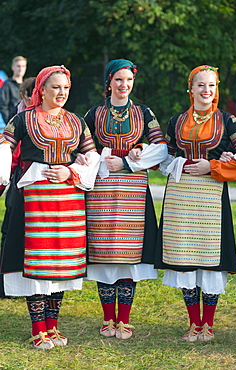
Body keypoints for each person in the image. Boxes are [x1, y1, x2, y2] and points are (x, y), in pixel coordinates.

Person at [0, 65, 100, 349]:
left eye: (66, 88)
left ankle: (54, 326)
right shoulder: (22, 119)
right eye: (55, 87)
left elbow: (91, 156)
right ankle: (38, 329)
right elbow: (4, 145)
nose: (61, 93)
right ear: (41, 89)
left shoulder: (77, 122)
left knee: (61, 263)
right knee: (37, 264)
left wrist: (70, 172)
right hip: (35, 200)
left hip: (68, 201)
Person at [155, 65, 236, 342]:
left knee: (210, 262)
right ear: (190, 88)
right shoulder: (176, 121)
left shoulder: (227, 120)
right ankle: (193, 323)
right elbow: (164, 158)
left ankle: (208, 324)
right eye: (201, 85)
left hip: (211, 198)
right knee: (184, 260)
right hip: (181, 197)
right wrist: (179, 163)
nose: (206, 91)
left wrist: (213, 165)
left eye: (211, 85)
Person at [82, 58, 168, 340]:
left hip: (133, 189)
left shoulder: (144, 113)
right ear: (109, 82)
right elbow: (82, 148)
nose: (124, 85)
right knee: (104, 255)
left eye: (129, 80)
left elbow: (161, 148)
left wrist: (134, 158)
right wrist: (102, 159)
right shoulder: (94, 114)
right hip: (102, 188)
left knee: (129, 257)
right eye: (119, 79)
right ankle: (108, 319)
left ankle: (125, 319)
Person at [0, 77, 36, 299]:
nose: (34, 98)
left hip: (40, 186)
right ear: (23, 96)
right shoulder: (19, 119)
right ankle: (6, 284)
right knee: (10, 232)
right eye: (30, 93)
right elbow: (11, 155)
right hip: (19, 182)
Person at [0, 56, 27, 125]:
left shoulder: (27, 85)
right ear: (13, 67)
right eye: (18, 66)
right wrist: (10, 124)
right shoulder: (7, 85)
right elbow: (3, 106)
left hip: (26, 123)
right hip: (13, 123)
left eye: (23, 66)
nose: (20, 69)